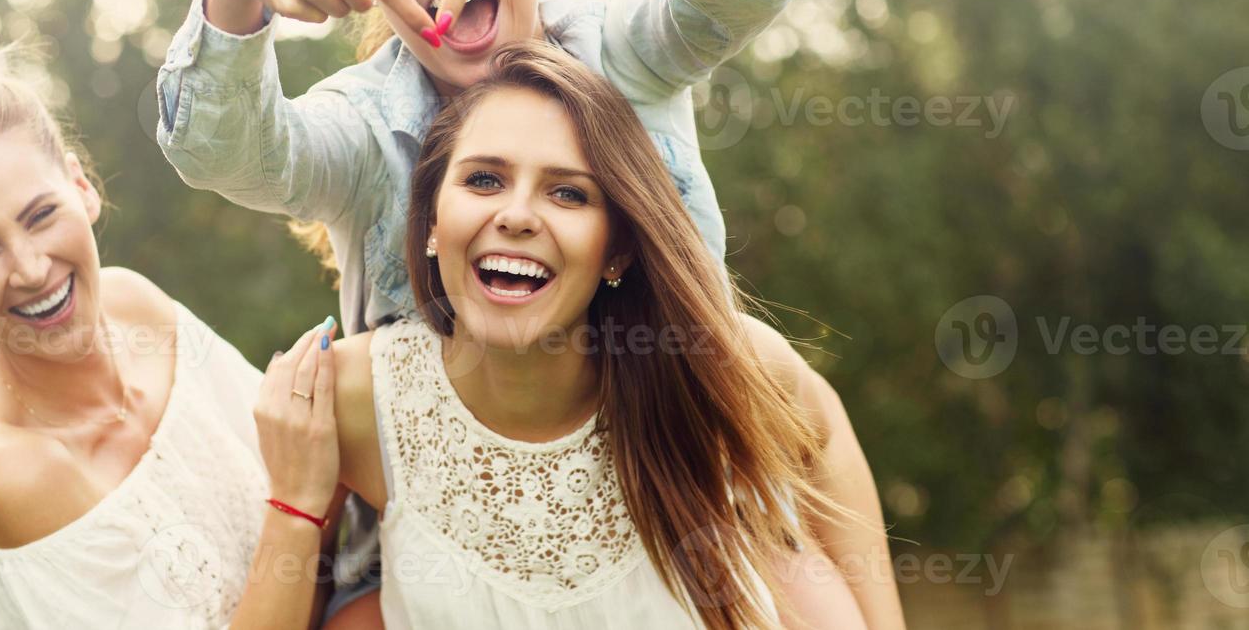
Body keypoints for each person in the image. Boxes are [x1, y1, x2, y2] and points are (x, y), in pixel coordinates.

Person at [155, 0, 809, 617]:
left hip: (669, 491)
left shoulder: (623, 39)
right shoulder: (362, 126)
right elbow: (219, 149)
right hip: (455, 541)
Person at [330, 39, 905, 629]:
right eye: (483, 180)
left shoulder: (704, 359)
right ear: (429, 223)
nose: (518, 215)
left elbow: (820, 428)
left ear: (617, 252)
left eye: (568, 193)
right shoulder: (352, 396)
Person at [0, 0, 350, 629]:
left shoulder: (137, 302)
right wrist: (298, 502)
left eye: (40, 214)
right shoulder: (7, 471)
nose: (30, 268)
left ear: (81, 186)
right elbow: (303, 498)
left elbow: (326, 496)